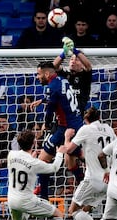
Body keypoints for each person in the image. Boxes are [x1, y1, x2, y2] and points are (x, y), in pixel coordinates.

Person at [30, 61, 84, 200]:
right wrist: (42, 100)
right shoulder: (62, 80)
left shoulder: (52, 87)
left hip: (65, 128)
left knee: (42, 161)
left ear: (47, 74)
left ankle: (43, 198)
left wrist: (46, 125)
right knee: (71, 162)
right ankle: (86, 189)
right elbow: (59, 96)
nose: (37, 77)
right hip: (77, 124)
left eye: (39, 74)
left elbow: (50, 110)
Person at [61, 107, 117, 220]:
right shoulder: (109, 129)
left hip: (92, 180)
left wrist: (67, 137)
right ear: (99, 117)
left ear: (85, 119)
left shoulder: (86, 129)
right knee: (85, 210)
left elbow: (69, 150)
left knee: (73, 211)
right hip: (108, 180)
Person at [7, 129, 67, 220]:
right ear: (34, 142)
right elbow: (54, 168)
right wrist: (60, 153)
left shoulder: (11, 155)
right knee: (58, 214)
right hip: (26, 201)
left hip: (12, 200)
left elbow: (22, 163)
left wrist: (31, 157)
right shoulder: (34, 163)